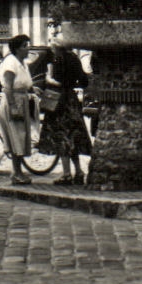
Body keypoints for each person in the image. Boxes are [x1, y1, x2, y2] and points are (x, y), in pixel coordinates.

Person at [37, 42, 92, 185]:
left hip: (59, 101)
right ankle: (79, 171)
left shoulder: (58, 60)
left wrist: (49, 79)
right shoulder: (74, 58)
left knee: (61, 136)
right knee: (73, 136)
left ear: (56, 49)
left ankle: (67, 174)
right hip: (71, 101)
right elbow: (84, 81)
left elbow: (56, 81)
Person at [0, 35, 39, 185]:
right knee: (16, 138)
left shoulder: (22, 63)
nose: (28, 48)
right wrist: (13, 107)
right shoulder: (11, 63)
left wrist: (33, 90)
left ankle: (18, 171)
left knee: (21, 137)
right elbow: (8, 88)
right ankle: (16, 172)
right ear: (18, 49)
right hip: (13, 102)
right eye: (25, 46)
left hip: (22, 100)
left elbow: (24, 83)